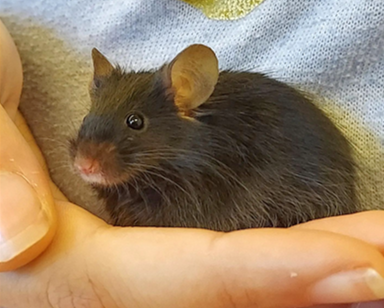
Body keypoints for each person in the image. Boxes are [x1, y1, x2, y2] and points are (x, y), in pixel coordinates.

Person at [0, 19, 384, 308]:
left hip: (300, 204)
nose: (86, 159)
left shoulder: (196, 164)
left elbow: (203, 213)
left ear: (185, 99)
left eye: (135, 124)